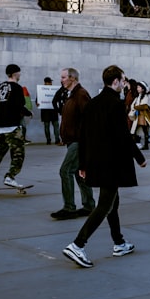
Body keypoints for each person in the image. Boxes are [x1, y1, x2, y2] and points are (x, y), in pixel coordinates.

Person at [62, 65, 147, 268]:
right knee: (104, 205)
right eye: (123, 80)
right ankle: (78, 244)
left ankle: (119, 242)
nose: (125, 84)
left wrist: (83, 163)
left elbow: (84, 135)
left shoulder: (94, 103)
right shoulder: (115, 104)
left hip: (96, 162)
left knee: (112, 203)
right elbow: (122, 135)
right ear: (115, 81)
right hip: (111, 162)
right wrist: (139, 156)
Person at [53, 68, 95, 220]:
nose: (61, 80)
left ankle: (69, 208)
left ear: (72, 78)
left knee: (65, 171)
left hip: (78, 141)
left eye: (63, 77)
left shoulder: (81, 94)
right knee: (78, 173)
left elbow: (89, 118)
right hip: (73, 141)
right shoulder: (72, 94)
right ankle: (89, 205)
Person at [39, 77, 59, 146]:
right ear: (46, 82)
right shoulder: (42, 90)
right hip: (50, 111)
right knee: (53, 126)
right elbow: (37, 101)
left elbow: (37, 101)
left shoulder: (41, 90)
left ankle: (52, 140)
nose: (51, 83)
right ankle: (54, 140)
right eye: (50, 82)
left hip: (48, 111)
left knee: (50, 126)